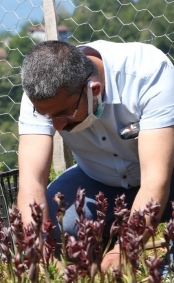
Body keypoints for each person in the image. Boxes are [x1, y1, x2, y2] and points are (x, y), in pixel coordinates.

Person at [17, 40, 174, 270]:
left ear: (94, 90)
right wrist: (37, 245)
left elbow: (156, 181)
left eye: (64, 114)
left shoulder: (147, 73)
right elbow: (31, 182)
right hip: (99, 179)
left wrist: (124, 250)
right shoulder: (41, 97)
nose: (57, 126)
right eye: (47, 117)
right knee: (60, 225)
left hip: (167, 177)